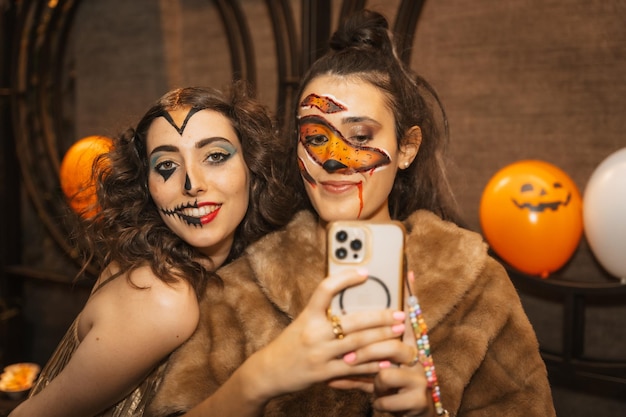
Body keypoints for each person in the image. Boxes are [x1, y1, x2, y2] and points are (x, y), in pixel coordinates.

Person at [146, 9, 556, 417]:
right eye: (316, 137)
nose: (334, 162)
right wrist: (258, 380)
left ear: (407, 148)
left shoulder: (476, 284)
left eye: (360, 136)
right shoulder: (242, 284)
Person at [9, 84, 293, 417]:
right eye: (167, 167)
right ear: (148, 188)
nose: (192, 183)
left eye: (215, 156)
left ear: (252, 167)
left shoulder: (184, 264)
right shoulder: (161, 296)